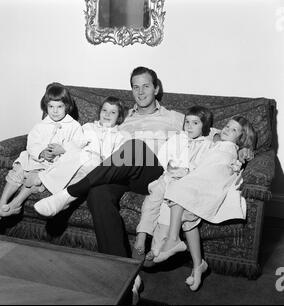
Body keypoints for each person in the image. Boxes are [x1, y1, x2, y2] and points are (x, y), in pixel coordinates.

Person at [33, 67, 254, 260]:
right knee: (98, 193)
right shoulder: (123, 118)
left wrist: (243, 146)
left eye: (146, 86)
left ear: (156, 89)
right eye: (135, 87)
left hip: (153, 172)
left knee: (135, 146)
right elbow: (95, 137)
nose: (140, 92)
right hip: (122, 174)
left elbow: (211, 132)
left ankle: (68, 195)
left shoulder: (173, 117)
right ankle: (121, 269)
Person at [153, 116, 257, 291]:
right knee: (186, 215)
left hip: (213, 183)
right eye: (227, 125)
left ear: (241, 138)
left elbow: (243, 154)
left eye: (233, 130)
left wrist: (245, 152)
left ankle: (173, 239)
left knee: (178, 192)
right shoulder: (213, 142)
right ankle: (198, 265)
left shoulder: (235, 148)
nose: (227, 129)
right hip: (200, 179)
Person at [0, 82, 86, 223]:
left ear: (67, 107)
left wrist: (62, 149)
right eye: (51, 106)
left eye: (60, 107)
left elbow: (79, 145)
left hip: (53, 165)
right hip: (36, 160)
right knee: (19, 169)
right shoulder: (41, 126)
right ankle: (1, 204)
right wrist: (41, 153)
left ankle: (15, 204)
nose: (55, 111)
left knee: (36, 179)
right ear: (46, 107)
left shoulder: (74, 126)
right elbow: (32, 143)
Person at [134, 105, 214, 263]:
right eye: (187, 122)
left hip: (183, 185)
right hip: (167, 177)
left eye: (195, 123)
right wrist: (169, 165)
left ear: (204, 126)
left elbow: (204, 167)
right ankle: (142, 234)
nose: (189, 126)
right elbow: (163, 155)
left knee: (166, 212)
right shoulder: (178, 138)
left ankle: (157, 249)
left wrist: (187, 171)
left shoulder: (207, 145)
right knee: (152, 199)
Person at [29, 96, 127, 195]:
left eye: (113, 112)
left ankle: (50, 186)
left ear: (119, 117)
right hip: (78, 161)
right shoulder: (88, 127)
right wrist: (64, 149)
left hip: (97, 169)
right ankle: (45, 179)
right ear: (99, 112)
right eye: (104, 110)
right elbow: (75, 142)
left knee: (85, 171)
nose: (107, 114)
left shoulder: (119, 136)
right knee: (71, 160)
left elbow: (116, 158)